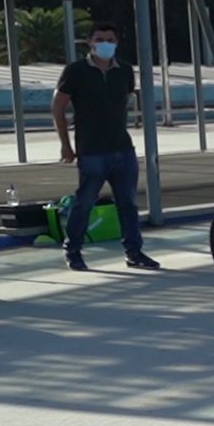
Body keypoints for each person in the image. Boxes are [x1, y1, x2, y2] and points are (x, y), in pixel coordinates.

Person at [53, 22, 159, 272]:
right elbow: (58, 106)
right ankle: (74, 250)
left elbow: (126, 98)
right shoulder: (76, 71)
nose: (105, 44)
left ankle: (134, 251)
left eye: (110, 39)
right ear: (89, 42)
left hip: (122, 148)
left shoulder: (123, 70)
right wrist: (65, 145)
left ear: (117, 42)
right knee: (84, 202)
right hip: (91, 150)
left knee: (128, 203)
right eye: (100, 39)